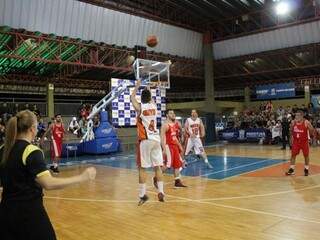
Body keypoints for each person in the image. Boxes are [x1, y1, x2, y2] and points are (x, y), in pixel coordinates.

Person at [0, 110, 96, 240]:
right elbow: (48, 183)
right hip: (29, 215)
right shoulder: (31, 151)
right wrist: (82, 177)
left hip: (5, 214)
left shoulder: (4, 149)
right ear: (32, 129)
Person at [130, 80, 165, 205]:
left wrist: (137, 86)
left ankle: (142, 194)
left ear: (142, 98)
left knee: (142, 168)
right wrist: (149, 86)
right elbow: (150, 97)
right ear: (150, 98)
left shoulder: (140, 108)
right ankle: (161, 191)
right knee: (158, 167)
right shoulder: (154, 106)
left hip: (145, 140)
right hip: (156, 140)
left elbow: (131, 97)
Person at [158, 109, 187, 188]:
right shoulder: (165, 125)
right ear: (167, 115)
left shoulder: (173, 124)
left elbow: (174, 137)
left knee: (177, 165)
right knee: (168, 165)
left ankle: (177, 182)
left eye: (173, 113)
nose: (173, 114)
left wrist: (179, 145)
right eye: (171, 113)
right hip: (168, 146)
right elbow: (162, 139)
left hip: (174, 146)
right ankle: (156, 177)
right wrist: (164, 149)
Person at [286, 110, 315, 176]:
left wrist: (310, 137)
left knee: (306, 155)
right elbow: (291, 131)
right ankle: (292, 169)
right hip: (296, 141)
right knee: (293, 155)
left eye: (298, 115)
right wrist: (291, 139)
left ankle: (306, 169)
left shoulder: (306, 122)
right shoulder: (293, 122)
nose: (296, 117)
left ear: (302, 116)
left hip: (304, 141)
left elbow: (312, 129)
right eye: (296, 115)